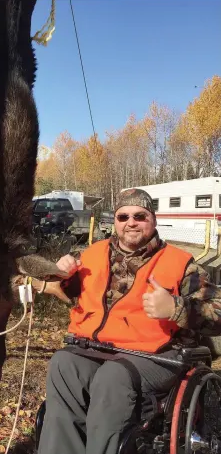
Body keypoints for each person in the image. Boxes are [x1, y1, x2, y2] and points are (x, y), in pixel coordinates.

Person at [38, 188, 221, 454]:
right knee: (63, 363)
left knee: (113, 377)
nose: (131, 222)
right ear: (115, 221)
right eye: (123, 216)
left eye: (140, 216)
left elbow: (218, 312)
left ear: (153, 220)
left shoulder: (181, 264)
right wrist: (61, 275)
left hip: (157, 356)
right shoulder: (91, 254)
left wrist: (176, 308)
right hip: (95, 348)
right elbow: (72, 292)